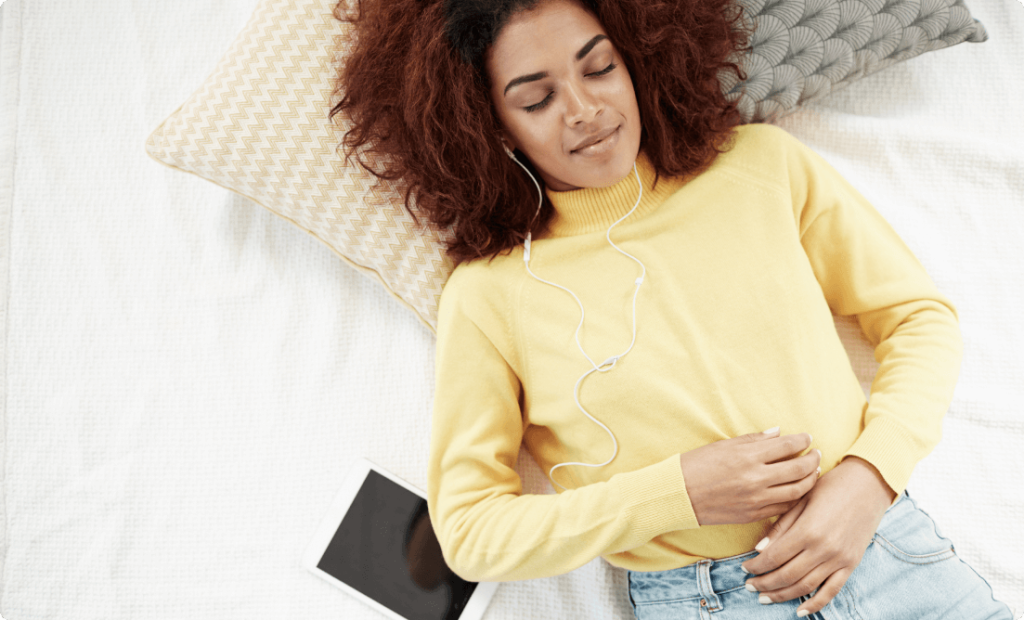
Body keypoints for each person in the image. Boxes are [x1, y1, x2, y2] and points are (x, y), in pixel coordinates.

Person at [331, 0, 1014, 617]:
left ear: (636, 57)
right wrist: (675, 493)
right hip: (706, 599)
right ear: (494, 128)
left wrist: (869, 480)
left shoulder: (762, 166)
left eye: (598, 67)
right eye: (536, 99)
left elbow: (919, 319)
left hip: (884, 548)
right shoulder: (487, 296)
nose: (583, 109)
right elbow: (472, 535)